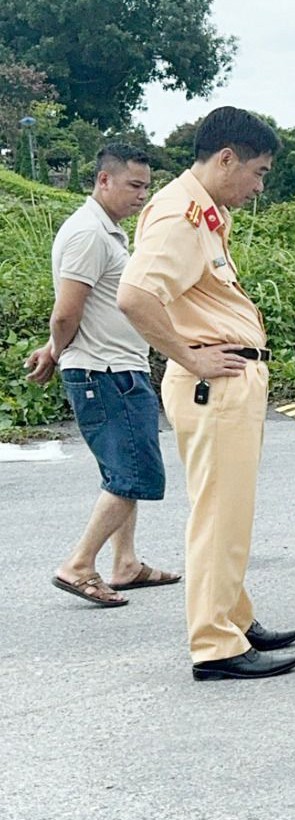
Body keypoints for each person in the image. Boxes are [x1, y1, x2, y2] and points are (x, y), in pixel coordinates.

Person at [117, 107, 295, 681]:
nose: (259, 185)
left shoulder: (202, 212)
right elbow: (135, 296)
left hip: (221, 383)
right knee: (221, 513)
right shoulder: (180, 214)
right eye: (259, 172)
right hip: (212, 383)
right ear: (227, 158)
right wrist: (188, 354)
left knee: (226, 510)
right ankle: (216, 645)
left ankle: (233, 618)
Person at [25, 143, 180, 607]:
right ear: (104, 180)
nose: (141, 195)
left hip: (116, 366)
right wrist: (55, 350)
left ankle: (125, 564)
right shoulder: (90, 233)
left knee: (123, 470)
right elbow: (65, 313)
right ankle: (78, 565)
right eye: (134, 185)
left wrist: (55, 348)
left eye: (146, 187)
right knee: (130, 473)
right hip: (104, 371)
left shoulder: (106, 231)